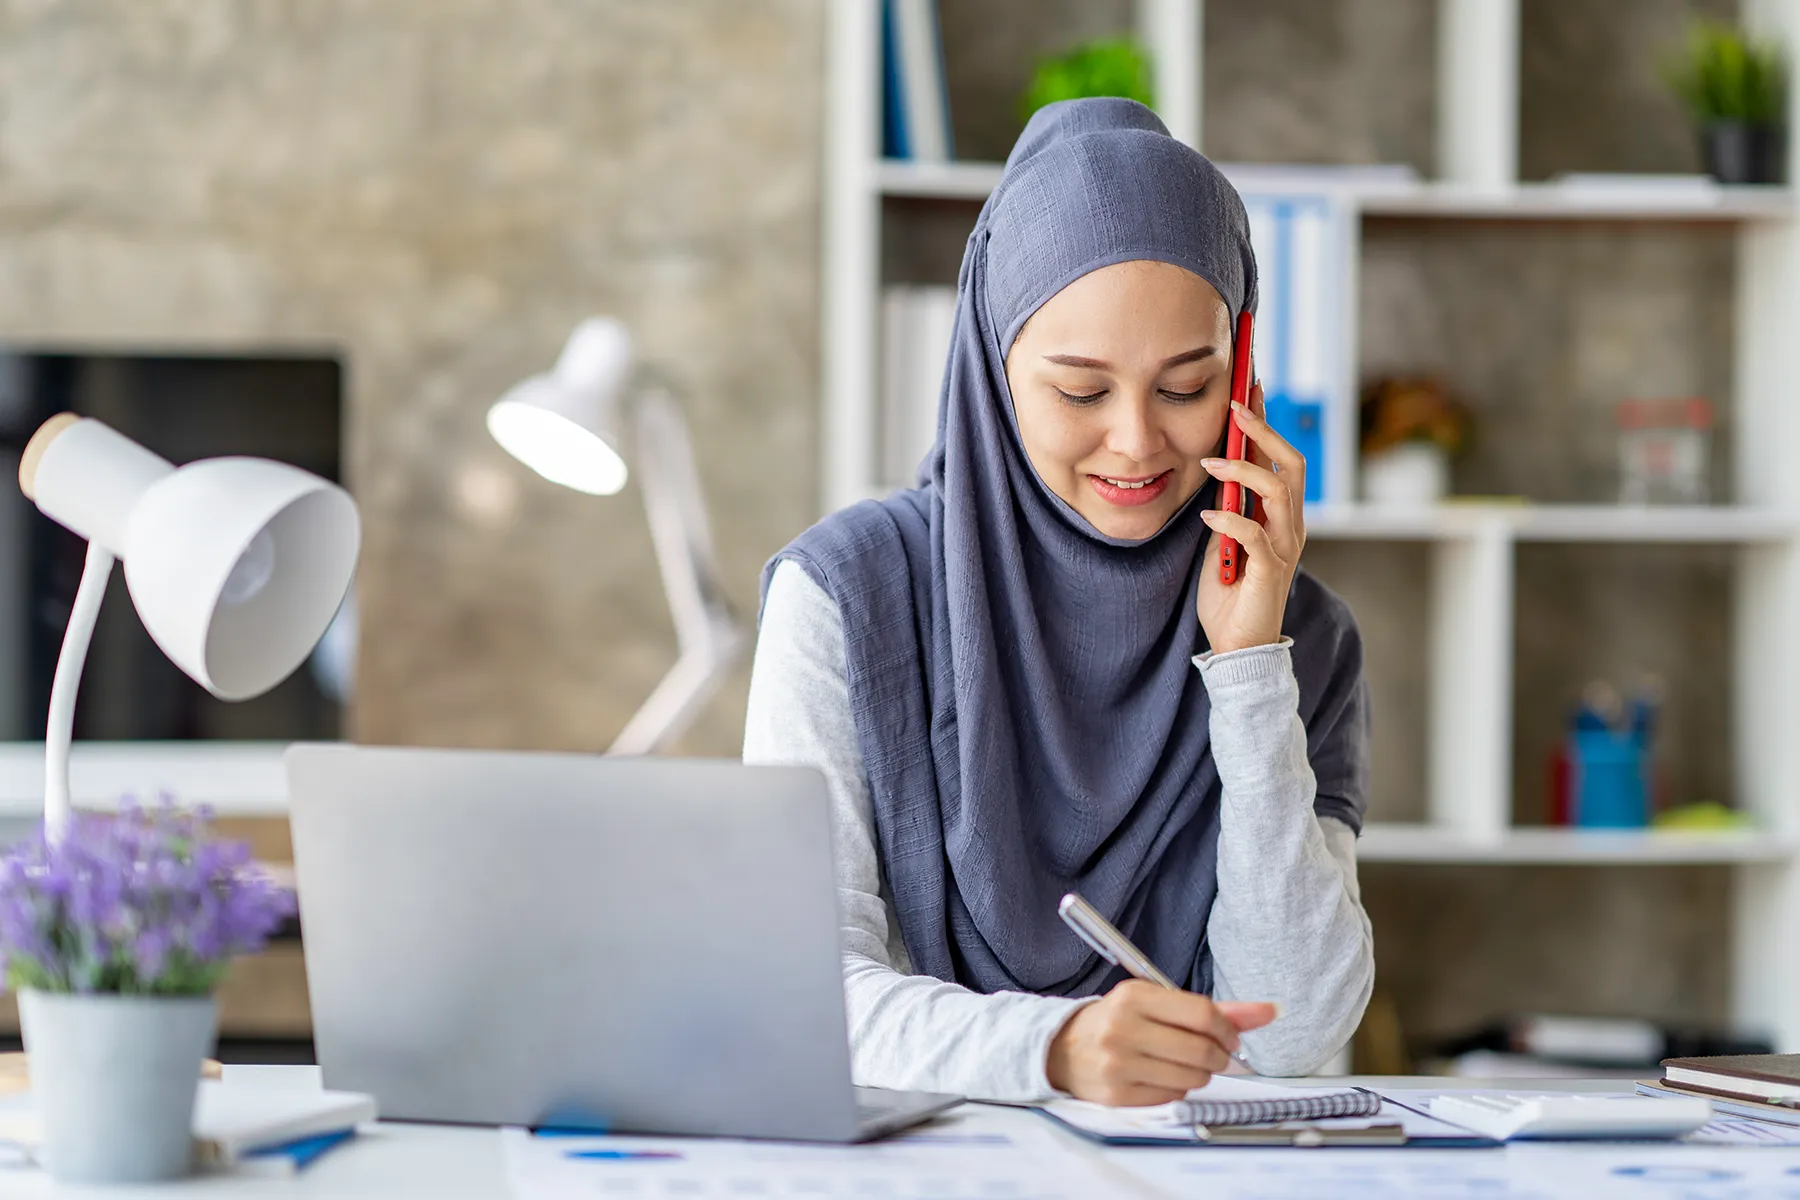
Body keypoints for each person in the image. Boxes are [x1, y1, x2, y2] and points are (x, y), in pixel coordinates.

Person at [743, 98, 1372, 1106]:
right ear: (993, 374)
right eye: (1081, 392)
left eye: (1187, 386)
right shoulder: (845, 597)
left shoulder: (1304, 636)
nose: (1135, 442)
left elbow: (1290, 1033)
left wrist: (1249, 672)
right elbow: (802, 987)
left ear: (1243, 373)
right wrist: (1055, 1049)